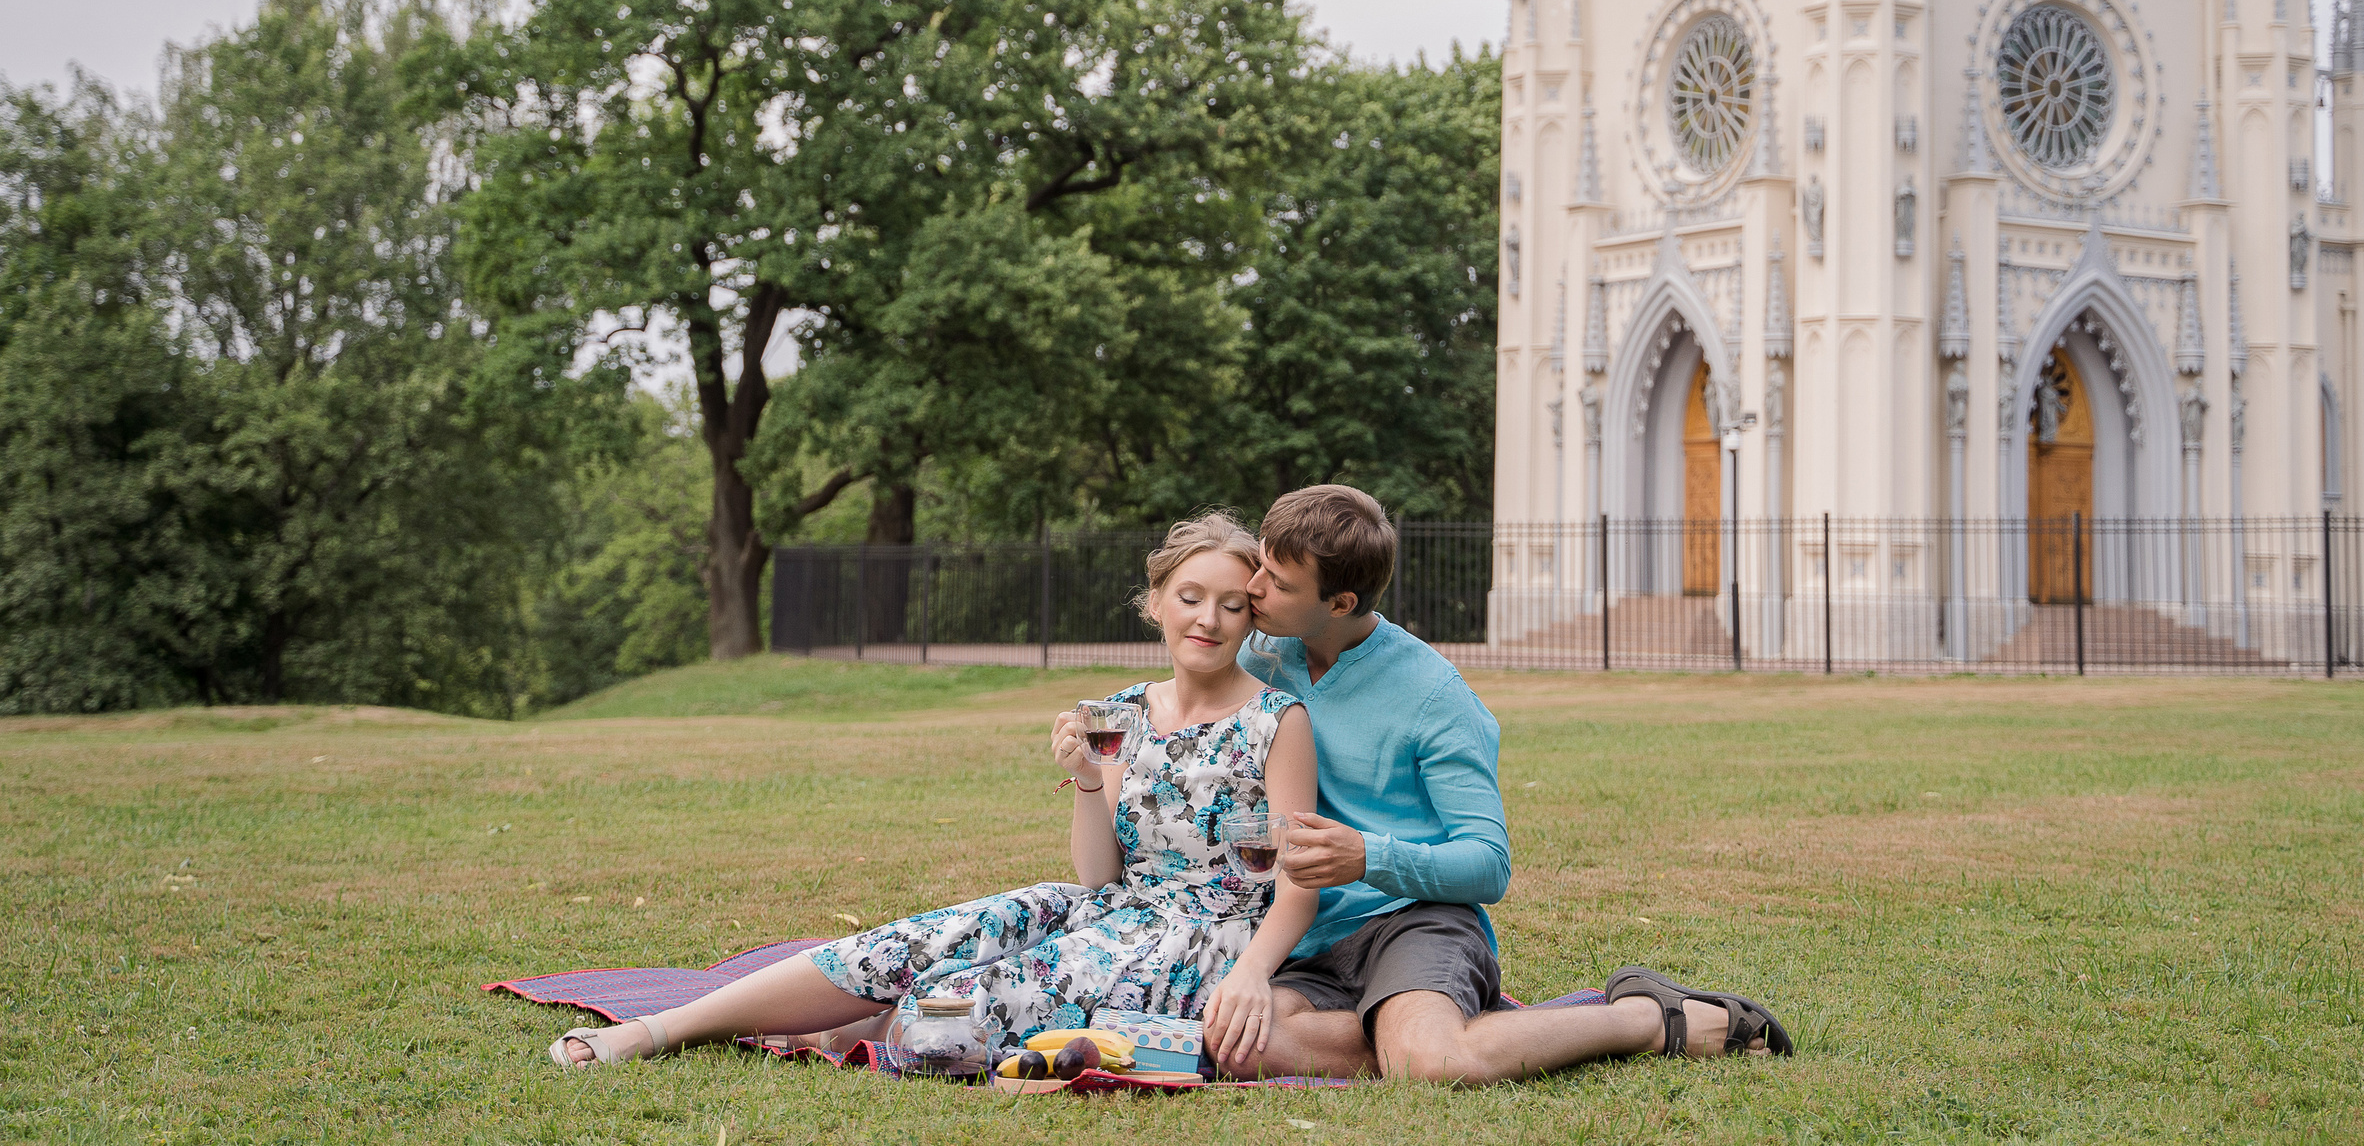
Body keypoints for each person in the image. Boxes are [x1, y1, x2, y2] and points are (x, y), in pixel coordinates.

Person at [549, 511, 1320, 1071]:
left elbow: (1297, 880)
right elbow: (1097, 877)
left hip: (1200, 942)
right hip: (1107, 910)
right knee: (906, 942)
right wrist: (1087, 781)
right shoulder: (1123, 711)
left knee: (938, 1024)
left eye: (1231, 603)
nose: (1209, 619)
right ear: (1155, 601)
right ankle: (660, 1029)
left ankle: (844, 1024)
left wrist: (1252, 967)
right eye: (1190, 596)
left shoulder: (1274, 719)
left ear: (1252, 616)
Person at [1236, 484, 1792, 1084]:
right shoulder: (1262, 654)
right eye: (1261, 564)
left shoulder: (1435, 694)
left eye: (1281, 583)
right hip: (1310, 932)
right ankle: (1450, 1027)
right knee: (1242, 1046)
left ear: (1341, 602)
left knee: (1430, 1063)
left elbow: (1488, 863)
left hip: (1415, 919)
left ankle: (1643, 1018)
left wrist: (1367, 856)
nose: (1254, 588)